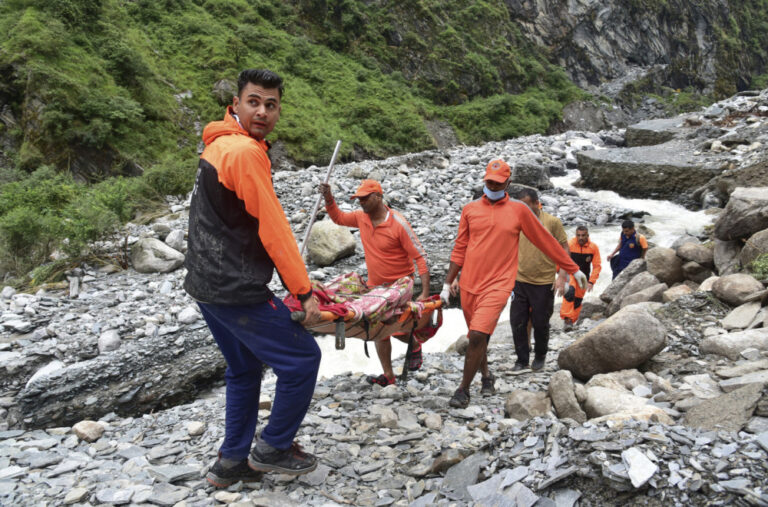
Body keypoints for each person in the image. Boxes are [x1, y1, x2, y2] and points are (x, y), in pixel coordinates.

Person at [184, 69, 322, 488]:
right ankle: (274, 447)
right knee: (302, 359)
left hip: (205, 284)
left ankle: (231, 463)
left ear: (279, 110)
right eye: (254, 102)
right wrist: (303, 290)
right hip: (233, 286)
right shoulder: (243, 153)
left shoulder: (220, 144)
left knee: (243, 370)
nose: (262, 111)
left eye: (271, 104)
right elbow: (274, 228)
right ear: (237, 104)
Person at [440, 160, 586, 408]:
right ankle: (486, 376)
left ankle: (463, 390)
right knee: (478, 336)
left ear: (507, 183)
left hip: (498, 285)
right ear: (484, 180)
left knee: (476, 335)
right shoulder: (470, 210)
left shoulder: (519, 210)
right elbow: (460, 247)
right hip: (469, 284)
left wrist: (571, 267)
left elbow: (544, 241)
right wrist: (447, 282)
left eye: (498, 182)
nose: (493, 185)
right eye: (489, 181)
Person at [319, 179, 430, 386]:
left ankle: (414, 344)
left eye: (364, 198)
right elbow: (338, 218)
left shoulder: (398, 223)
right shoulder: (362, 218)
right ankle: (388, 376)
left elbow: (420, 257)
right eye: (358, 199)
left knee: (389, 324)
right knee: (378, 327)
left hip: (400, 285)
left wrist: (424, 292)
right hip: (375, 286)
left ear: (378, 196)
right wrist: (328, 198)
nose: (361, 203)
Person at [509, 188, 569, 372]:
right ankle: (521, 359)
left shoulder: (551, 222)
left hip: (543, 282)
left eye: (527, 206)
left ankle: (540, 355)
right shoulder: (516, 221)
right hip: (519, 280)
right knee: (517, 321)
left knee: (540, 322)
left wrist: (561, 276)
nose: (523, 210)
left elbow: (565, 249)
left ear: (536, 203)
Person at [560, 226, 601, 331]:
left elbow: (597, 266)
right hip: (570, 274)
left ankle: (572, 323)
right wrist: (559, 275)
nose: (580, 238)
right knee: (570, 293)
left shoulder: (593, 247)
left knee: (577, 300)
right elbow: (561, 259)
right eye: (578, 235)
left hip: (583, 278)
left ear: (588, 235)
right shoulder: (569, 245)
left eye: (583, 235)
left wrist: (591, 281)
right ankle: (567, 320)